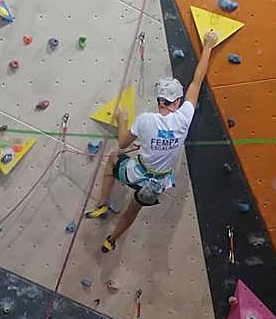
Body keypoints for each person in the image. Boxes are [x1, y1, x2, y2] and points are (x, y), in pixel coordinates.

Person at [86, 29, 219, 253]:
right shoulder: (184, 117)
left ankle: (101, 204)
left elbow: (122, 144)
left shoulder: (145, 120)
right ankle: (111, 240)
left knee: (112, 158)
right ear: (177, 100)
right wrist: (208, 46)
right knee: (131, 212)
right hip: (157, 184)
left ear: (159, 99)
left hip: (136, 172)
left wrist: (123, 119)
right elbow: (197, 82)